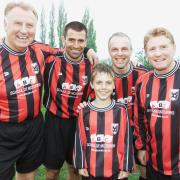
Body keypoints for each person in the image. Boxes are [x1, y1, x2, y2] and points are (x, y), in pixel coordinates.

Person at [0, 2, 97, 180]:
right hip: (7, 130)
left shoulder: (40, 50)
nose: (24, 30)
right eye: (17, 23)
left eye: (29, 25)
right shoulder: (4, 56)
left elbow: (69, 50)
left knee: (29, 174)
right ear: (5, 24)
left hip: (36, 126)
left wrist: (89, 49)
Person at [43, 21, 94, 180]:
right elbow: (28, 45)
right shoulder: (50, 60)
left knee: (74, 168)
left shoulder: (91, 65)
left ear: (86, 42)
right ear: (63, 39)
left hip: (78, 122)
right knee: (52, 171)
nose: (76, 45)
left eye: (81, 41)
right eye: (71, 40)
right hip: (54, 122)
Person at [134, 27, 180, 180]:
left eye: (163, 47)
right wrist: (140, 148)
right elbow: (139, 119)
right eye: (152, 49)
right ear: (146, 53)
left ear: (173, 47)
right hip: (154, 165)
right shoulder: (142, 82)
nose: (158, 53)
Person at [74, 63, 134, 179]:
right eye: (99, 82)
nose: (103, 87)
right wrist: (80, 164)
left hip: (116, 172)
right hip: (90, 172)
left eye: (108, 83)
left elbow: (127, 139)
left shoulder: (120, 110)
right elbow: (79, 139)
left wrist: (126, 166)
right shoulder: (84, 111)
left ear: (113, 85)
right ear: (91, 84)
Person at [108, 32, 147, 180]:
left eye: (124, 49)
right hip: (115, 134)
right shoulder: (103, 77)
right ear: (109, 51)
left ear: (131, 51)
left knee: (146, 172)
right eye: (115, 49)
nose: (119, 53)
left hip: (141, 132)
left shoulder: (143, 74)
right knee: (119, 175)